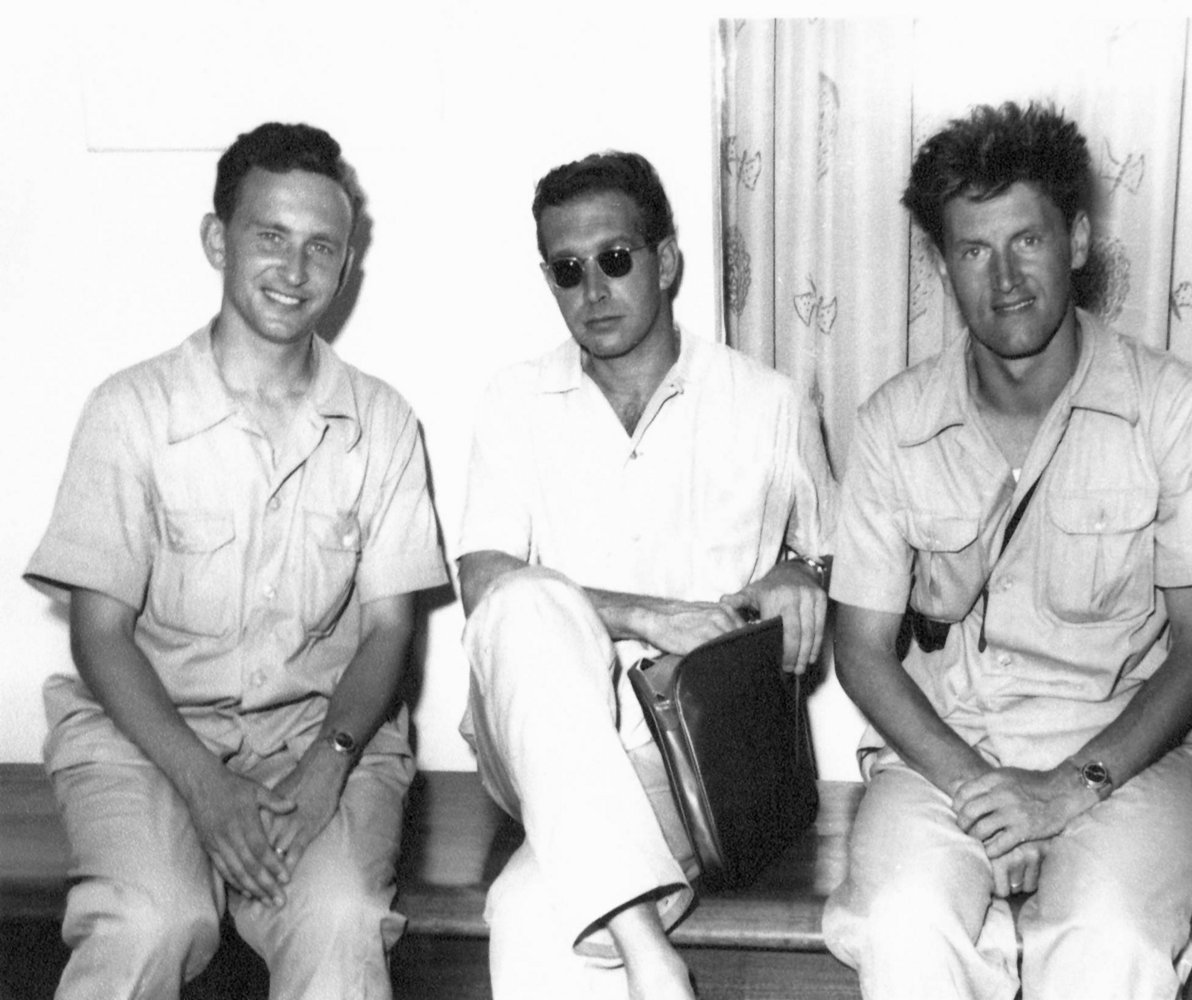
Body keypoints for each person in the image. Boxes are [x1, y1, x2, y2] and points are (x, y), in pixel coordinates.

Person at [822, 101, 1192, 1000]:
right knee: (902, 924)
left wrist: (1064, 790)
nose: (1006, 278)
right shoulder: (893, 423)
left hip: (1121, 762)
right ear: (942, 264)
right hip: (941, 762)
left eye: (1027, 240)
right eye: (974, 250)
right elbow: (861, 651)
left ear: (1079, 240)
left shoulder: (1170, 407)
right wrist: (981, 789)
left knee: (1110, 941)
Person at [24, 122, 445, 999]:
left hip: (320, 736)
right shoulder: (131, 410)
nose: (295, 270)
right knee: (152, 921)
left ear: (346, 264)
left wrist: (327, 766)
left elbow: (388, 632)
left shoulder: (383, 423)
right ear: (218, 240)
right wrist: (205, 789)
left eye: (321, 247)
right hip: (147, 736)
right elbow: (99, 635)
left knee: (340, 923)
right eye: (271, 237)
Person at [456, 150, 835, 1000]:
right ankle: (650, 954)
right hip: (535, 747)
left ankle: (641, 951)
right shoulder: (514, 400)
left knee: (529, 912)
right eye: (568, 270)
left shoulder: (769, 403)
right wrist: (650, 616)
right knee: (523, 601)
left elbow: (819, 556)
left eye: (616, 258)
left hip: (692, 759)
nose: (593, 289)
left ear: (665, 261)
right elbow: (482, 583)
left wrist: (798, 573)